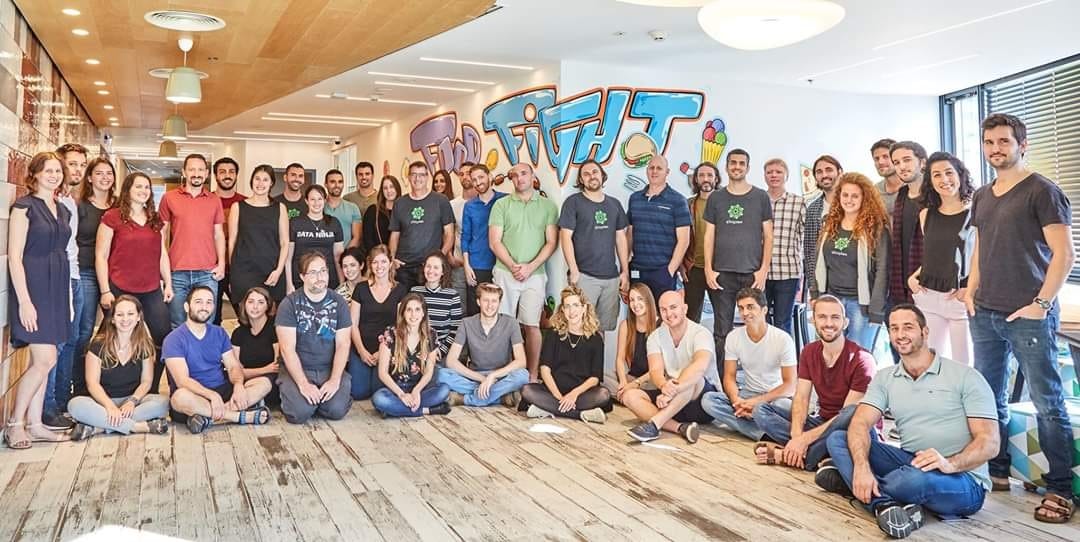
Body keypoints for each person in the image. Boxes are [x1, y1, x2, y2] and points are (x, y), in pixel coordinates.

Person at [967, 113, 1075, 522]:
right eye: (989, 142)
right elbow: (981, 247)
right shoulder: (982, 195)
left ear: (1022, 145)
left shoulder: (1043, 191)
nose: (995, 148)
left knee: (1048, 403)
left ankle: (1060, 488)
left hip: (1029, 314)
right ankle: (997, 471)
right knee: (989, 397)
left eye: (1004, 141)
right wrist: (971, 290)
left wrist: (1041, 304)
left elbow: (1065, 254)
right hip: (985, 312)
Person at [821, 305, 998, 539]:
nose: (900, 334)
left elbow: (990, 442)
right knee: (838, 438)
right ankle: (885, 505)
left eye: (908, 327)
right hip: (912, 461)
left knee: (913, 480)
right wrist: (862, 468)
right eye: (894, 328)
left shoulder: (965, 376)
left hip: (963, 479)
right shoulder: (886, 378)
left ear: (925, 331)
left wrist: (950, 464)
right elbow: (860, 422)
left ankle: (852, 485)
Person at [752, 295, 874, 470]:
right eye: (822, 317)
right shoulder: (809, 352)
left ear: (845, 322)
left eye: (835, 317)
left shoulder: (862, 359)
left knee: (849, 416)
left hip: (851, 429)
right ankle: (812, 455)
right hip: (821, 422)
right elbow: (801, 398)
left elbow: (846, 416)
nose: (829, 323)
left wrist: (804, 439)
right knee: (761, 410)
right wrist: (797, 437)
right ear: (813, 321)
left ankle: (789, 456)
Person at [4, 152, 74, 449]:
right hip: (34, 289)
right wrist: (24, 301)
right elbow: (15, 257)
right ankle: (14, 424)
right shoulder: (24, 207)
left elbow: (65, 253)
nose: (54, 175)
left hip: (57, 288)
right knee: (45, 359)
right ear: (34, 174)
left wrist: (67, 300)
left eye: (58, 171)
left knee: (45, 360)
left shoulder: (63, 209)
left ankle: (35, 424)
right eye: (48, 170)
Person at [97, 172, 174, 388]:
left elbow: (162, 253)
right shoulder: (112, 217)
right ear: (128, 190)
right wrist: (105, 290)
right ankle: (105, 386)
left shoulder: (155, 219)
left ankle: (151, 387)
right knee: (110, 337)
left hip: (151, 288)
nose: (143, 191)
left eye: (147, 187)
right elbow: (101, 255)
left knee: (163, 337)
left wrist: (168, 282)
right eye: (138, 186)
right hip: (119, 288)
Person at [164, 286, 272, 434]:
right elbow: (183, 381)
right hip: (194, 394)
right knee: (179, 398)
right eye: (198, 302)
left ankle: (207, 418)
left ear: (213, 307)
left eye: (209, 302)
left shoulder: (219, 332)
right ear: (187, 307)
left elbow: (233, 367)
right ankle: (238, 416)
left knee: (264, 383)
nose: (204, 307)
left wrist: (238, 385)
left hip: (222, 389)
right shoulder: (173, 339)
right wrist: (212, 395)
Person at [489, 162, 559, 379]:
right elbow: (494, 241)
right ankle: (505, 374)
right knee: (503, 325)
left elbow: (551, 242)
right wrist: (513, 266)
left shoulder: (548, 206)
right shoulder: (501, 205)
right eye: (515, 175)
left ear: (532, 176)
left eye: (524, 174)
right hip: (505, 272)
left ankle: (532, 375)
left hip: (535, 275)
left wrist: (530, 267)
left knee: (532, 325)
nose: (519, 178)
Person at [700, 287, 797, 440]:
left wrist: (756, 402)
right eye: (741, 308)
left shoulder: (782, 339)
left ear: (764, 310)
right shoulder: (733, 337)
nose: (745, 312)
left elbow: (790, 385)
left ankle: (755, 422)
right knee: (709, 401)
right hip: (748, 393)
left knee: (785, 407)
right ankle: (764, 433)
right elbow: (729, 377)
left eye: (750, 307)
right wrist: (736, 401)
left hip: (775, 397)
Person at [68, 295, 170, 440]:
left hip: (132, 402)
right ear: (113, 319)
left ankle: (98, 427)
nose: (125, 319)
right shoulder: (97, 345)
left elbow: (146, 382)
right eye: (120, 314)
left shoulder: (145, 345)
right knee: (75, 405)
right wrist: (109, 407)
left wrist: (132, 401)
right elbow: (92, 384)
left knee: (162, 403)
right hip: (102, 402)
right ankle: (137, 427)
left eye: (130, 314)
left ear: (138, 318)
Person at [624, 290, 719, 444]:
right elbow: (655, 370)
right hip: (672, 399)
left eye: (673, 307)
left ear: (685, 308)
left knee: (693, 379)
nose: (669, 314)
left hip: (701, 400)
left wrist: (672, 390)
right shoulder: (655, 336)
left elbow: (699, 366)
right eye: (663, 309)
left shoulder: (701, 333)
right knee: (629, 396)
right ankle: (680, 428)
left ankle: (654, 425)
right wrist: (663, 386)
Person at [907, 152, 975, 366]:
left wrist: (970, 288)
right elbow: (935, 253)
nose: (944, 179)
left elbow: (981, 257)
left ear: (960, 175)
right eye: (937, 175)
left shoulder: (975, 213)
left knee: (964, 364)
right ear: (930, 181)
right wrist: (913, 277)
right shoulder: (926, 214)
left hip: (959, 297)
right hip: (928, 295)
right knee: (932, 362)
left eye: (949, 172)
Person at [704, 149, 774, 355]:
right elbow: (709, 235)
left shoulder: (760, 197)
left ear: (748, 168)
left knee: (756, 327)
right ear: (726, 167)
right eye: (733, 163)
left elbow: (768, 236)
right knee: (722, 331)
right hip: (722, 274)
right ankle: (725, 374)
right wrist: (708, 269)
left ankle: (757, 372)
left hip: (752, 273)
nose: (737, 167)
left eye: (741, 163)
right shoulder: (716, 198)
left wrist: (763, 270)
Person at [809, 172, 890, 351]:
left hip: (860, 305)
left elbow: (882, 270)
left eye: (855, 196)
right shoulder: (829, 224)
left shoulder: (877, 229)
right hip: (830, 300)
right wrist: (815, 295)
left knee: (857, 356)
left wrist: (876, 309)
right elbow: (818, 261)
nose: (849, 200)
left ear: (865, 198)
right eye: (845, 195)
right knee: (828, 354)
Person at [275, 252, 354, 424]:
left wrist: (334, 380)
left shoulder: (339, 302)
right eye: (313, 272)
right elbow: (287, 350)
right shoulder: (289, 304)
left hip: (328, 368)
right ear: (302, 276)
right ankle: (302, 400)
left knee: (336, 410)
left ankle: (320, 402)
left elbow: (343, 344)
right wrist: (303, 384)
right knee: (300, 413)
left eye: (323, 271)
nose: (320, 277)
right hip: (299, 369)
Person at [559, 160, 629, 332]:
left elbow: (621, 238)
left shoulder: (614, 204)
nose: (591, 176)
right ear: (581, 180)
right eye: (586, 174)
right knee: (580, 327)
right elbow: (565, 237)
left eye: (595, 172)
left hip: (611, 278)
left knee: (601, 329)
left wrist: (625, 271)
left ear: (602, 175)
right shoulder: (573, 202)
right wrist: (574, 270)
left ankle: (598, 353)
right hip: (584, 276)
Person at [521, 286, 610, 423]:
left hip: (581, 393)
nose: (571, 311)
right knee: (527, 390)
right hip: (553, 390)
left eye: (575, 305)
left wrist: (573, 395)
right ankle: (580, 414)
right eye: (567, 306)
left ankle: (547, 409)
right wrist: (559, 397)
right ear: (562, 309)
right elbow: (545, 369)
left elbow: (595, 378)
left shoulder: (595, 339)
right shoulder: (554, 333)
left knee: (603, 394)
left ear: (584, 308)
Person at [159, 153, 225, 329]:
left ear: (207, 173)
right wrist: (162, 266)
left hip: (207, 273)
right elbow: (161, 234)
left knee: (206, 322)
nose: (196, 174)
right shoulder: (169, 198)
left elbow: (218, 234)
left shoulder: (214, 200)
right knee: (177, 323)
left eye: (201, 170)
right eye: (192, 169)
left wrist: (222, 263)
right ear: (184, 172)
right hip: (177, 272)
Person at [438, 282, 529, 407]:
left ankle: (467, 399)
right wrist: (482, 379)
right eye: (486, 300)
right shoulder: (466, 323)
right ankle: (500, 397)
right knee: (441, 374)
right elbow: (451, 361)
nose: (490, 305)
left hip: (501, 376)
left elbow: (521, 361)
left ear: (499, 303)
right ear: (478, 302)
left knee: (523, 376)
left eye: (494, 301)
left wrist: (492, 376)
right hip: (475, 376)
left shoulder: (511, 323)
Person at [72, 157, 117, 399]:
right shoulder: (80, 206)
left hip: (116, 273)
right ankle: (79, 385)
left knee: (113, 328)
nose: (105, 177)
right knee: (84, 329)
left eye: (109, 173)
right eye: (99, 173)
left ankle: (107, 382)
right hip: (86, 271)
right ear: (89, 177)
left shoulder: (120, 206)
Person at [370, 293, 452, 417]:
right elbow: (382, 373)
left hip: (420, 388)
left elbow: (429, 371)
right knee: (379, 399)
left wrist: (416, 391)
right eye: (409, 310)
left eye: (417, 309)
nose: (413, 315)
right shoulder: (390, 334)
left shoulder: (431, 334)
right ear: (403, 313)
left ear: (423, 313)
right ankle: (426, 410)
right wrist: (401, 395)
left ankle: (393, 411)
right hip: (395, 389)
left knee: (444, 390)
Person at [627, 155, 691, 305]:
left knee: (664, 314)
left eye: (659, 168)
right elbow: (630, 233)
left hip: (662, 271)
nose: (654, 171)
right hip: (637, 270)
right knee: (640, 314)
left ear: (667, 172)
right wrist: (626, 264)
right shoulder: (635, 198)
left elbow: (684, 240)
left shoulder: (678, 200)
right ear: (647, 170)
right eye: (651, 168)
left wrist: (670, 270)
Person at [349, 245, 407, 400]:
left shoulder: (400, 290)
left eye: (383, 261)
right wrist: (361, 351)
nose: (379, 266)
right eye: (375, 262)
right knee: (358, 393)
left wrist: (382, 352)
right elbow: (353, 324)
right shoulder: (360, 288)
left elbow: (400, 326)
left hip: (386, 350)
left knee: (378, 390)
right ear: (370, 264)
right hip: (361, 348)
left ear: (390, 263)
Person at [389, 161, 455, 290]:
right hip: (403, 267)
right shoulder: (400, 203)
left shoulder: (441, 201)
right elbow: (395, 234)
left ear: (427, 177)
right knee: (404, 302)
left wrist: (439, 258)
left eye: (421, 175)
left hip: (429, 268)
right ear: (408, 177)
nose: (417, 178)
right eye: (414, 174)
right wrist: (392, 259)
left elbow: (449, 234)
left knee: (429, 302)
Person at [229, 164, 289, 304]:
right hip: (244, 272)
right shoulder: (237, 207)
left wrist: (279, 270)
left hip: (272, 272)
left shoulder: (280, 208)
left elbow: (285, 242)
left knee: (272, 314)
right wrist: (233, 272)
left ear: (271, 183)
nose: (260, 183)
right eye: (257, 179)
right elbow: (232, 242)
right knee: (246, 313)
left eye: (265, 179)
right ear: (252, 180)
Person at [763, 158, 805, 335]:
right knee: (761, 322)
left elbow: (806, 237)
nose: (774, 175)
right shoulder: (757, 200)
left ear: (786, 176)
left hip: (788, 272)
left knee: (782, 322)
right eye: (769, 172)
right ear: (764, 176)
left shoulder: (799, 202)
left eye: (778, 172)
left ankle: (784, 354)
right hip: (760, 273)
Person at [887, 141, 928, 310]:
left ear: (922, 162)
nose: (901, 166)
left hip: (928, 282)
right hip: (902, 280)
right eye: (896, 162)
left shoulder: (934, 195)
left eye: (907, 160)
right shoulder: (902, 195)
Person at [461, 164, 506, 316]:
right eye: (474, 180)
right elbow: (465, 236)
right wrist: (466, 265)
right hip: (477, 264)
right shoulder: (469, 206)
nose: (478, 182)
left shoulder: (504, 200)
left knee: (499, 310)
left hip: (501, 263)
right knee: (475, 310)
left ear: (489, 176)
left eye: (481, 177)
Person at [287, 184, 344, 291]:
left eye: (319, 199)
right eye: (312, 199)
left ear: (325, 200)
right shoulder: (295, 223)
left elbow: (338, 257)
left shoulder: (334, 223)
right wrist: (289, 284)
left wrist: (342, 283)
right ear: (306, 201)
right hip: (300, 280)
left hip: (328, 280)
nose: (316, 203)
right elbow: (288, 258)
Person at [231, 287, 281, 407]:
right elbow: (236, 371)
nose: (255, 307)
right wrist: (265, 369)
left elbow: (276, 368)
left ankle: (222, 412)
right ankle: (230, 411)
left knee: (261, 384)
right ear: (244, 305)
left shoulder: (275, 329)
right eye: (251, 302)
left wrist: (247, 373)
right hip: (245, 383)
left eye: (260, 302)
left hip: (270, 382)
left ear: (268, 306)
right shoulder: (238, 333)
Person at [683, 162, 719, 322]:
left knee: (722, 317)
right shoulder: (687, 205)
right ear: (696, 179)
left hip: (718, 269)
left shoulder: (724, 204)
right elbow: (679, 238)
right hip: (693, 268)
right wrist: (682, 266)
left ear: (716, 179)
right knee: (691, 318)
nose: (706, 179)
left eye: (710, 175)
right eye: (701, 175)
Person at [212, 157, 246, 325]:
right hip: (212, 270)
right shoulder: (207, 201)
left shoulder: (246, 203)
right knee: (212, 319)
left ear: (236, 175)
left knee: (247, 316)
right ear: (215, 176)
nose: (227, 175)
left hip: (239, 270)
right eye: (222, 172)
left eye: (231, 172)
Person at [411, 252, 463, 359]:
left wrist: (441, 351)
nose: (431, 271)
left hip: (440, 353)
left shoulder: (452, 295)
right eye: (428, 266)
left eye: (436, 267)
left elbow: (456, 329)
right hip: (416, 350)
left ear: (443, 271)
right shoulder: (414, 292)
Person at [804, 155, 843, 297]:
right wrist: (813, 288)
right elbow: (810, 252)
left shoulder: (852, 203)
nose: (824, 175)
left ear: (840, 172)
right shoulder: (813, 209)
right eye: (819, 172)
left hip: (853, 284)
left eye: (829, 170)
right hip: (824, 283)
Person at [615, 283, 659, 403]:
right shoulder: (625, 325)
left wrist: (635, 384)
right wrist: (623, 382)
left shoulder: (661, 326)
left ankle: (633, 397)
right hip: (632, 377)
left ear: (648, 300)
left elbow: (659, 368)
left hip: (652, 379)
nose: (636, 304)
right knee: (604, 380)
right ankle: (629, 395)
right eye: (632, 300)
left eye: (640, 299)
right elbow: (620, 359)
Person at [449, 171, 475, 307]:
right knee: (459, 306)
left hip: (479, 263)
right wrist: (449, 256)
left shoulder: (484, 202)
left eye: (469, 173)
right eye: (462, 174)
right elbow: (447, 233)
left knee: (477, 305)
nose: (465, 176)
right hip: (458, 262)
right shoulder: (452, 204)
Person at [323, 169, 363, 249]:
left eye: (340, 182)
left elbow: (357, 237)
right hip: (322, 254)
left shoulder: (353, 208)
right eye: (332, 182)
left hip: (346, 254)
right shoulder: (319, 207)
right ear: (326, 184)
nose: (337, 185)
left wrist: (344, 255)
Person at [362, 174, 400, 254]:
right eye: (385, 188)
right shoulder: (372, 211)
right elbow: (368, 239)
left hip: (400, 257)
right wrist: (378, 256)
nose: (389, 191)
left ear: (397, 188)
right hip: (377, 257)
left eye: (392, 187)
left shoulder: (404, 211)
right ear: (382, 191)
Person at [872, 138, 901, 214]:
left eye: (885, 156)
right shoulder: (874, 191)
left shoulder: (912, 186)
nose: (880, 162)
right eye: (876, 159)